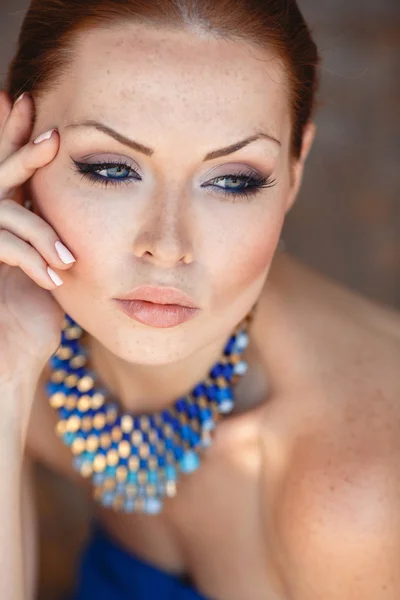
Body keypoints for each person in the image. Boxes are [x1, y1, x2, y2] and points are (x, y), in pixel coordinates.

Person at [0, 0, 399, 598]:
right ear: (16, 144)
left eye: (233, 180)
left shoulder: (358, 498)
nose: (167, 245)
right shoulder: (28, 339)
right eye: (110, 168)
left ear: (293, 173)